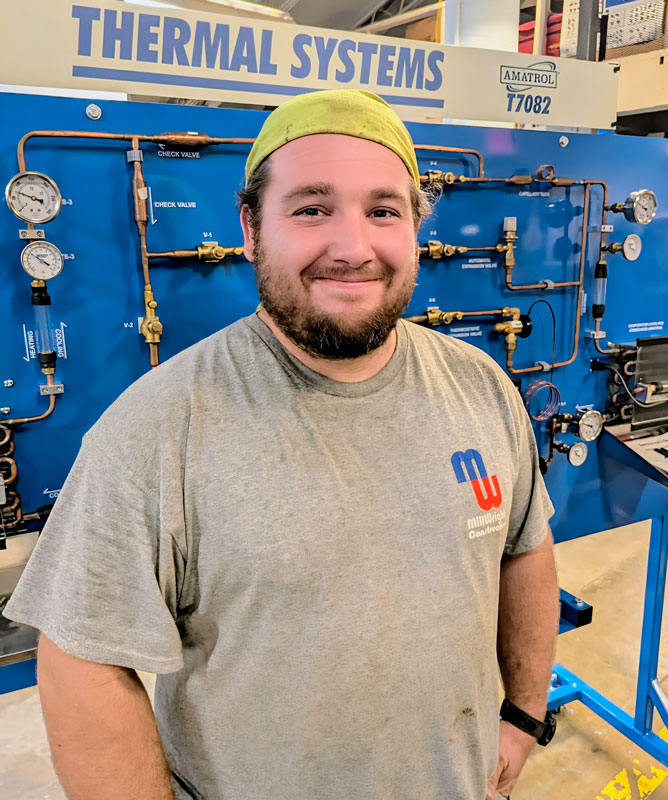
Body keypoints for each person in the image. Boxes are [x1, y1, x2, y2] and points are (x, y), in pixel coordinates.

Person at [4, 89, 559, 800]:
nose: (353, 248)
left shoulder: (479, 384)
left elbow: (525, 543)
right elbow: (81, 661)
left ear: (415, 230)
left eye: (383, 211)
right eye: (311, 209)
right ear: (250, 228)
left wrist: (520, 716)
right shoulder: (158, 427)